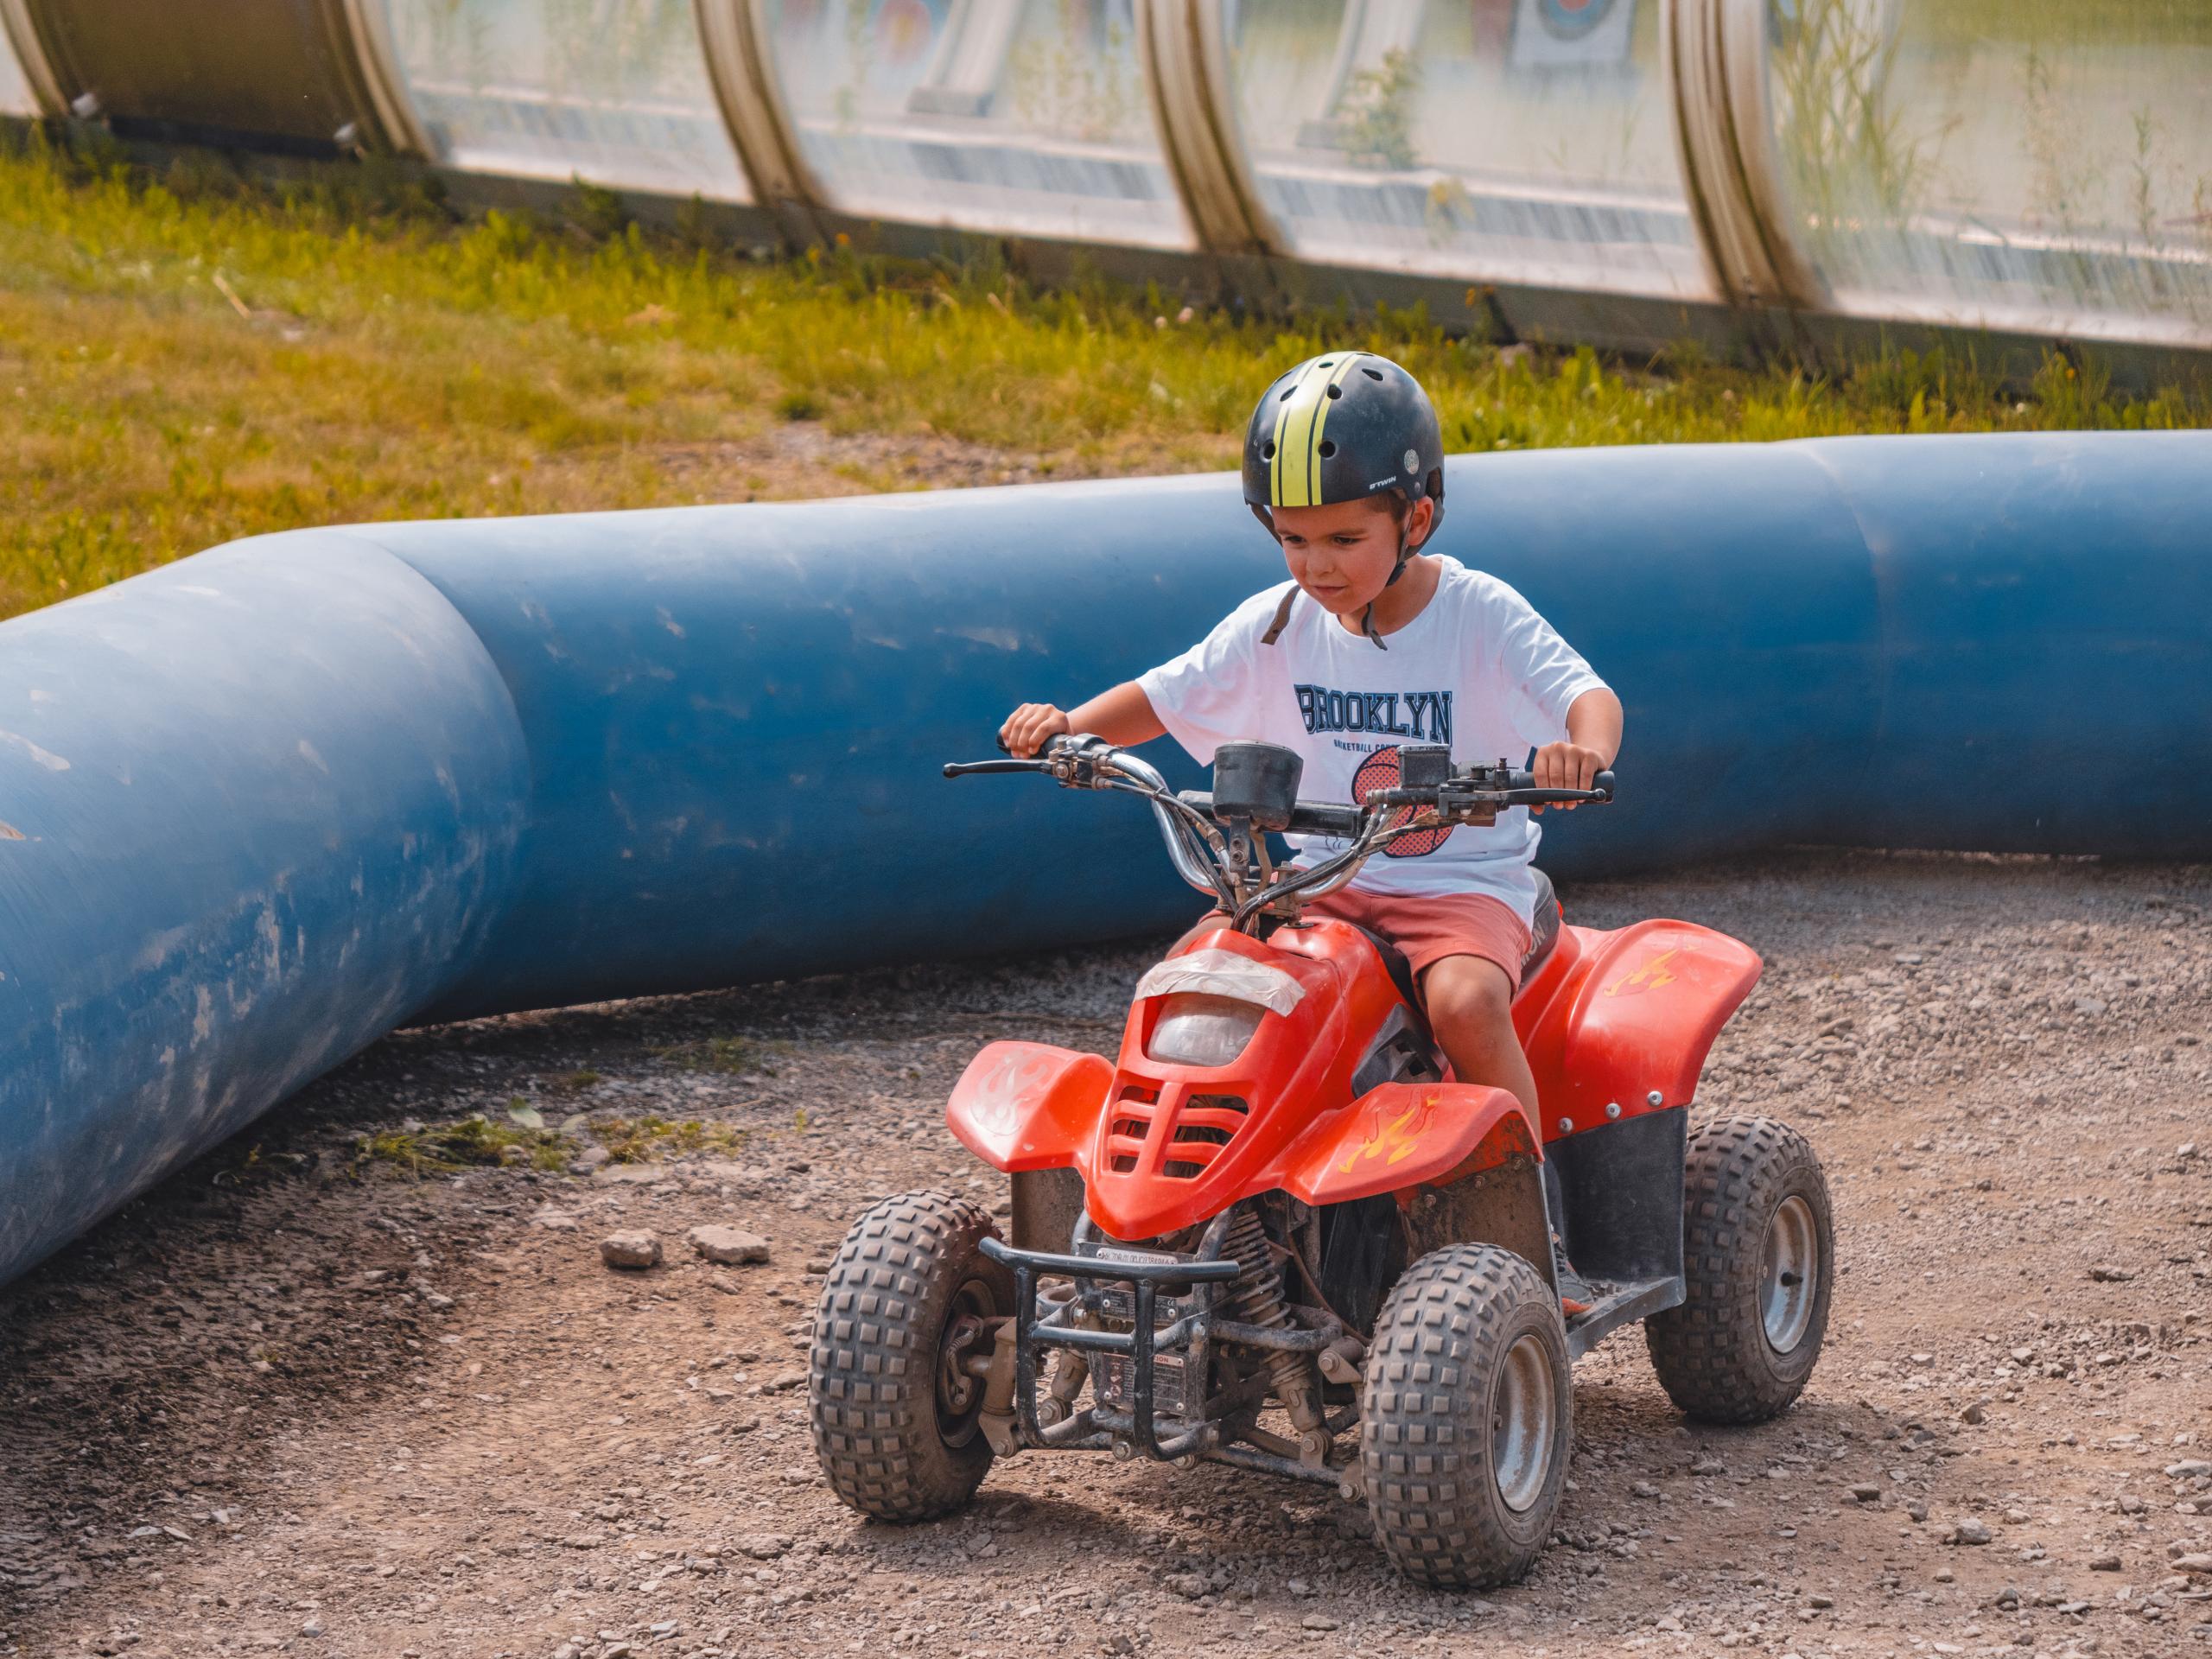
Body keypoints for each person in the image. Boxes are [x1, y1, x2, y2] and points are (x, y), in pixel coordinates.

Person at [999, 348, 1622, 1125]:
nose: (1315, 567)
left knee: (1463, 1006)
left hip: (1461, 891)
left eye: (1343, 540)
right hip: (1318, 886)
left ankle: (1526, 1209)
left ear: (1416, 520)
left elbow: (1587, 696)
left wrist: (1581, 752)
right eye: (1293, 540)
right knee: (1197, 980)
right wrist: (1068, 728)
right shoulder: (1276, 623)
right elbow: (1165, 694)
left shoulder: (1479, 614)